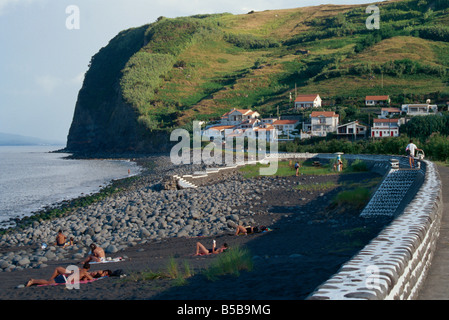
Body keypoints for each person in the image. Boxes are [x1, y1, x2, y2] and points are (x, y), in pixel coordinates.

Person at [26, 263, 93, 287]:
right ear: (88, 268)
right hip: (65, 279)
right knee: (48, 282)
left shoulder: (78, 269)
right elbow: (91, 279)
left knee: (48, 281)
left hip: (65, 276)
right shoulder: (85, 272)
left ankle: (33, 281)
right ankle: (33, 281)